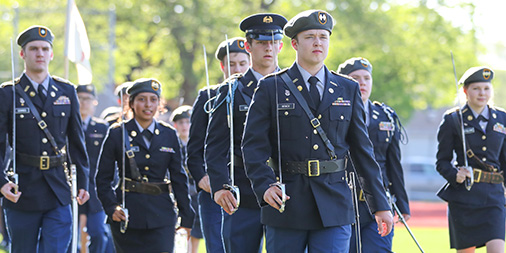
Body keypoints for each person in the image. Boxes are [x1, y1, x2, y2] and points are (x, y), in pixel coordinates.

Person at [241, 10, 393, 252]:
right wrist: (265, 185)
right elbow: (253, 145)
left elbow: (363, 153)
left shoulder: (347, 88)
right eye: (310, 36)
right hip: (287, 204)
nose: (317, 43)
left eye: (323, 37)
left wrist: (380, 205)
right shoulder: (271, 88)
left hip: (334, 204)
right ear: (294, 43)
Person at [0, 25, 90, 253]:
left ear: (51, 54)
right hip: (22, 189)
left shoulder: (67, 91)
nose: (39, 53)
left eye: (44, 49)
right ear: (23, 54)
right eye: (33, 49)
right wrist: (1, 182)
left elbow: (77, 142)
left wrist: (84, 182)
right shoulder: (7, 93)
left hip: (57, 188)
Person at [205, 13, 287, 253]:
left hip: (285, 190)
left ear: (281, 45)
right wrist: (220, 186)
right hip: (242, 192)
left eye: (273, 42)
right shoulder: (232, 90)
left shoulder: (293, 86)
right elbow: (216, 145)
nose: (268, 48)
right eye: (261, 43)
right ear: (248, 46)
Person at [95, 78, 194, 252]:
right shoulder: (117, 133)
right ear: (131, 103)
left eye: (153, 99)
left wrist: (186, 214)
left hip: (161, 215)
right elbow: (102, 178)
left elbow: (178, 177)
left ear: (159, 104)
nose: (148, 105)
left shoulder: (169, 134)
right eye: (142, 99)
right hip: (127, 214)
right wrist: (111, 207)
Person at [338, 57, 410, 252]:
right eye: (355, 78)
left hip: (379, 201)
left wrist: (402, 203)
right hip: (344, 201)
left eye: (366, 78)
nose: (362, 83)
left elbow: (393, 162)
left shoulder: (386, 115)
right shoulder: (334, 113)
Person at [186, 37, 249, 253]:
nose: (237, 69)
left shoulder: (261, 92)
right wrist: (205, 180)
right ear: (223, 66)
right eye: (232, 64)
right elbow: (194, 151)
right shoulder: (209, 96)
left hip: (248, 187)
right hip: (214, 191)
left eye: (243, 63)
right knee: (217, 246)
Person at [436, 66, 505, 252]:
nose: (482, 93)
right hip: (465, 196)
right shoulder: (453, 119)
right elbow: (442, 161)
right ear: (466, 91)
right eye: (476, 88)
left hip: (494, 197)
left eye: (486, 88)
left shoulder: (502, 118)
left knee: (497, 248)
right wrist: (454, 174)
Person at [76, 84, 115, 253]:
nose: (83, 102)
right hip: (72, 187)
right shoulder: (66, 125)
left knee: (98, 232)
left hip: (95, 190)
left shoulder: (102, 127)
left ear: (95, 102)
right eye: (80, 98)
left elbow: (109, 160)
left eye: (87, 99)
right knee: (69, 233)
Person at [170, 105, 202, 253]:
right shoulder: (171, 143)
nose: (184, 126)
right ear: (175, 125)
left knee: (197, 230)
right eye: (181, 122)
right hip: (178, 192)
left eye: (187, 122)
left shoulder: (199, 144)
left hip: (196, 191)